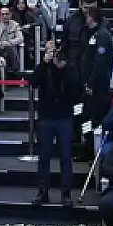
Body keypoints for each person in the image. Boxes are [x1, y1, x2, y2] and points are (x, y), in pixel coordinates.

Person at [31, 38, 79, 207]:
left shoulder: (70, 66)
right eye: (49, 50)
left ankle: (66, 193)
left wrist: (63, 67)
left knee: (65, 157)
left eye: (53, 50)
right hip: (46, 117)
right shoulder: (44, 67)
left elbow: (75, 84)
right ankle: (42, 191)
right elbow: (33, 81)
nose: (52, 53)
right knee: (44, 156)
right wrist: (44, 64)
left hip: (64, 117)